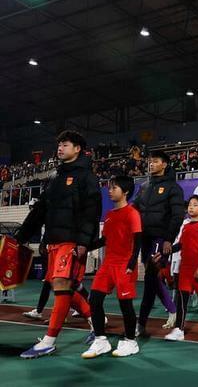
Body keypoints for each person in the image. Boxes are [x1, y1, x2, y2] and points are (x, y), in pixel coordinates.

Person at [16, 130, 101, 359]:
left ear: (77, 149)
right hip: (54, 240)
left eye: (65, 144)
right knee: (62, 287)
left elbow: (92, 212)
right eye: (59, 145)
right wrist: (22, 237)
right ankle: (97, 323)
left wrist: (84, 241)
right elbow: (41, 210)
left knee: (63, 284)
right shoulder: (55, 177)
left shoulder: (87, 177)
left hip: (73, 240)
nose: (60, 148)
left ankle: (49, 341)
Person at [81, 176, 141, 358]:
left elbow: (138, 240)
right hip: (108, 264)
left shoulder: (132, 213)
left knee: (125, 304)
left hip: (125, 264)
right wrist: (86, 246)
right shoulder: (109, 215)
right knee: (94, 300)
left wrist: (132, 263)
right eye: (109, 188)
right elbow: (105, 240)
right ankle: (101, 340)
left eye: (114, 188)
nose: (110, 191)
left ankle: (131, 342)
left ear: (126, 192)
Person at [132, 150, 184, 338]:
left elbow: (177, 215)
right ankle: (172, 310)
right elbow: (134, 209)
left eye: (155, 161)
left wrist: (169, 238)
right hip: (144, 238)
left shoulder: (173, 188)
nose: (151, 164)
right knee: (152, 279)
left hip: (160, 238)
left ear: (165, 164)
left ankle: (141, 323)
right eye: (150, 161)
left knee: (150, 278)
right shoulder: (144, 186)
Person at [164, 195, 198, 341]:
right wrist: (167, 250)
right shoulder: (186, 227)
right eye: (189, 205)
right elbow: (181, 245)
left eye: (195, 205)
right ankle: (179, 329)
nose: (191, 207)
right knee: (182, 298)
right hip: (185, 268)